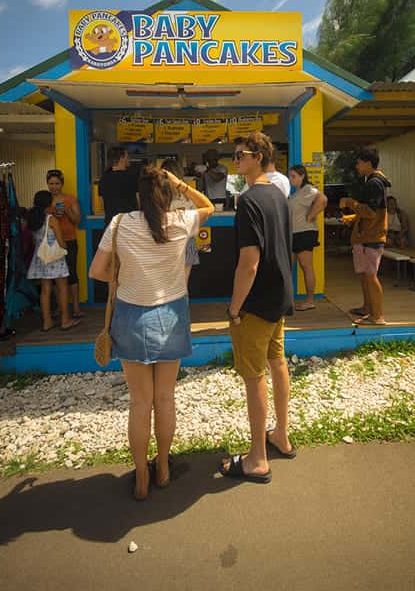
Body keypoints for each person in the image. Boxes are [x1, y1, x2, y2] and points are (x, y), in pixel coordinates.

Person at [88, 166, 213, 499]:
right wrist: (178, 182)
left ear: (138, 196)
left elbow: (97, 271)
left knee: (140, 402)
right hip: (171, 316)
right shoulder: (182, 221)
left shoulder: (119, 223)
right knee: (165, 399)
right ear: (169, 194)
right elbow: (209, 206)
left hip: (130, 317)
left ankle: (141, 476)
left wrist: (127, 272)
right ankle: (164, 469)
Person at [221, 131, 296, 484]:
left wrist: (235, 307)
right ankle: (281, 434)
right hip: (279, 296)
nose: (235, 161)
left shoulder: (249, 201)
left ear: (257, 157)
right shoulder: (279, 195)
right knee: (277, 363)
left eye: (240, 155)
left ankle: (257, 459)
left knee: (254, 379)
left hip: (255, 303)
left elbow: (248, 263)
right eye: (234, 156)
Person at [340, 148, 392, 325]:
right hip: (364, 236)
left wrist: (350, 203)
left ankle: (378, 316)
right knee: (364, 274)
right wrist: (354, 217)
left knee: (370, 275)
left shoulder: (374, 183)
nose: (356, 166)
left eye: (359, 162)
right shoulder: (372, 181)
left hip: (372, 237)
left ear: (368, 163)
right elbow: (372, 212)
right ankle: (367, 308)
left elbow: (370, 212)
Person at [25, 190, 73, 332]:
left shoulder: (33, 219)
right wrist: (65, 248)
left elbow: (34, 240)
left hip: (41, 258)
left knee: (45, 291)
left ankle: (47, 322)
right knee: (62, 287)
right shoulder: (51, 219)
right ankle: (65, 320)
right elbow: (61, 242)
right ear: (49, 203)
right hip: (55, 258)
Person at [287, 165, 327, 311]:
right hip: (294, 233)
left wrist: (311, 215)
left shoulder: (308, 189)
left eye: (293, 176)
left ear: (302, 175)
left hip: (304, 233)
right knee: (288, 267)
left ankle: (310, 300)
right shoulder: (298, 192)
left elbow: (323, 199)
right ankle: (287, 300)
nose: (291, 179)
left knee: (306, 266)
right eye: (290, 176)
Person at [45, 169, 84, 322]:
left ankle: (75, 307)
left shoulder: (70, 199)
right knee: (54, 277)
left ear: (62, 184)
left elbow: (77, 221)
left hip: (69, 240)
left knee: (71, 273)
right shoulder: (45, 200)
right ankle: (59, 308)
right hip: (50, 242)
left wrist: (67, 210)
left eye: (57, 183)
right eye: (51, 183)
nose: (54, 187)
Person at [161, 160, 201, 287]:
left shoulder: (159, 196)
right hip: (187, 240)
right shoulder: (189, 194)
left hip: (166, 242)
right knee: (183, 284)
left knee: (165, 285)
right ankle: (182, 307)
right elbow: (200, 212)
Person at [97, 145, 140, 225]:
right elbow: (139, 201)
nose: (128, 159)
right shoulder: (132, 177)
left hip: (111, 224)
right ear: (121, 158)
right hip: (129, 224)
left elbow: (102, 205)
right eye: (127, 157)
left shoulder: (103, 178)